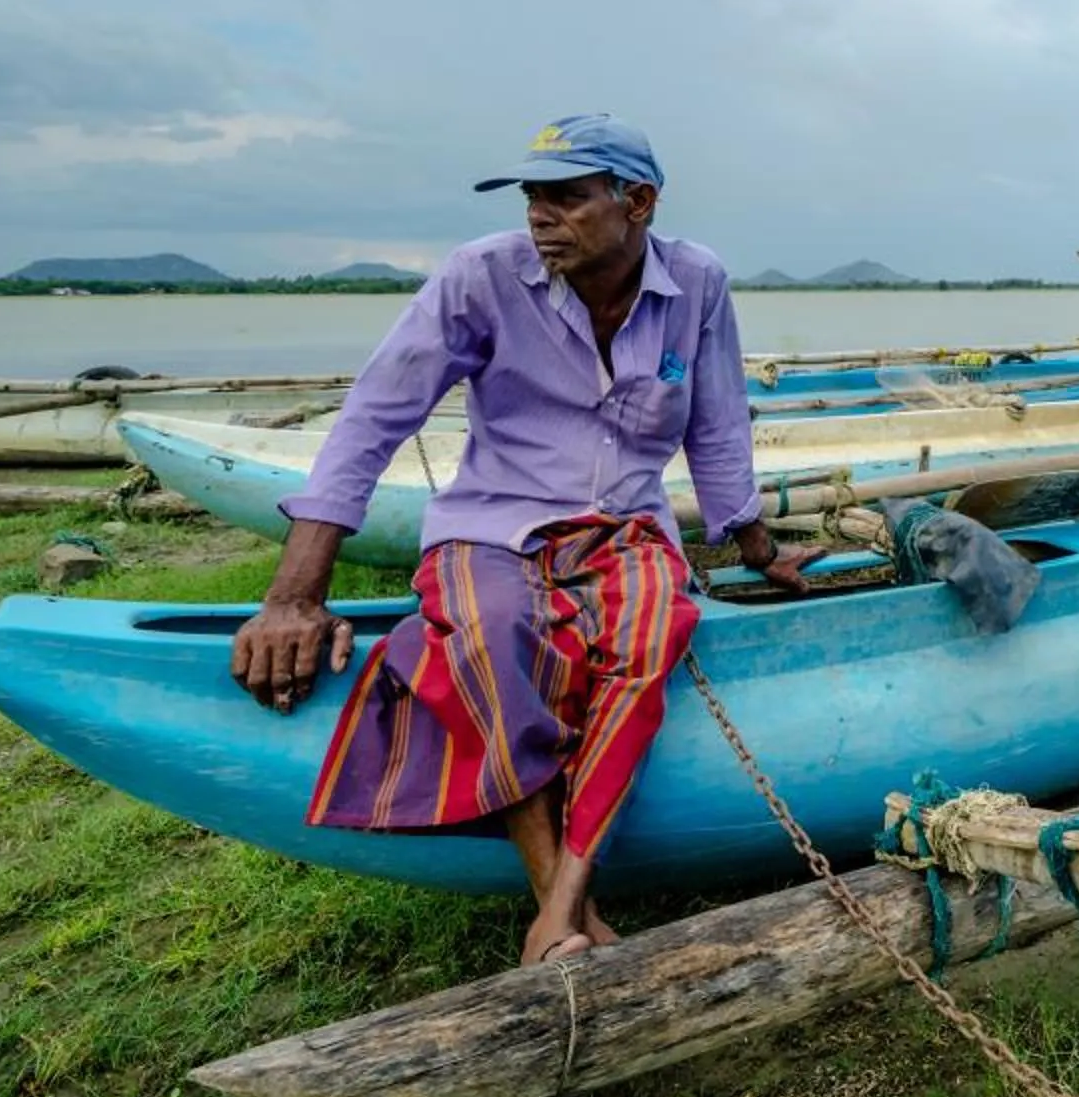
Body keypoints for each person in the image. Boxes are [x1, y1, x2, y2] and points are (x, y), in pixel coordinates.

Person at [229, 114, 807, 966]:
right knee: (493, 635)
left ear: (637, 202)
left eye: (567, 198)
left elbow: (717, 427)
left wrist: (756, 548)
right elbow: (374, 420)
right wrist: (292, 596)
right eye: (533, 197)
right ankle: (559, 905)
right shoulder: (480, 277)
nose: (540, 216)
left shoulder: (697, 283)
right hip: (491, 523)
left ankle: (563, 900)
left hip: (628, 525)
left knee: (650, 637)